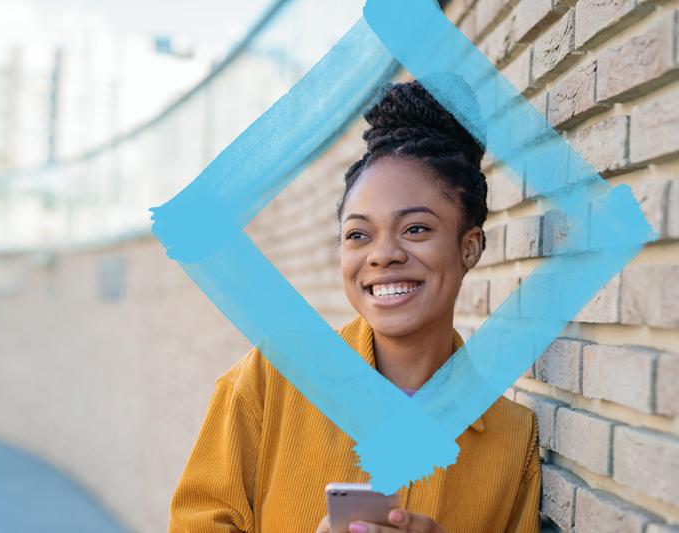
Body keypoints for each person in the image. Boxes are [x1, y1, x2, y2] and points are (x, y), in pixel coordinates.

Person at [168, 79, 541, 533]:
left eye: (416, 229)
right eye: (358, 235)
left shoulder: (512, 438)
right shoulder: (271, 379)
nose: (382, 254)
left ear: (469, 247)